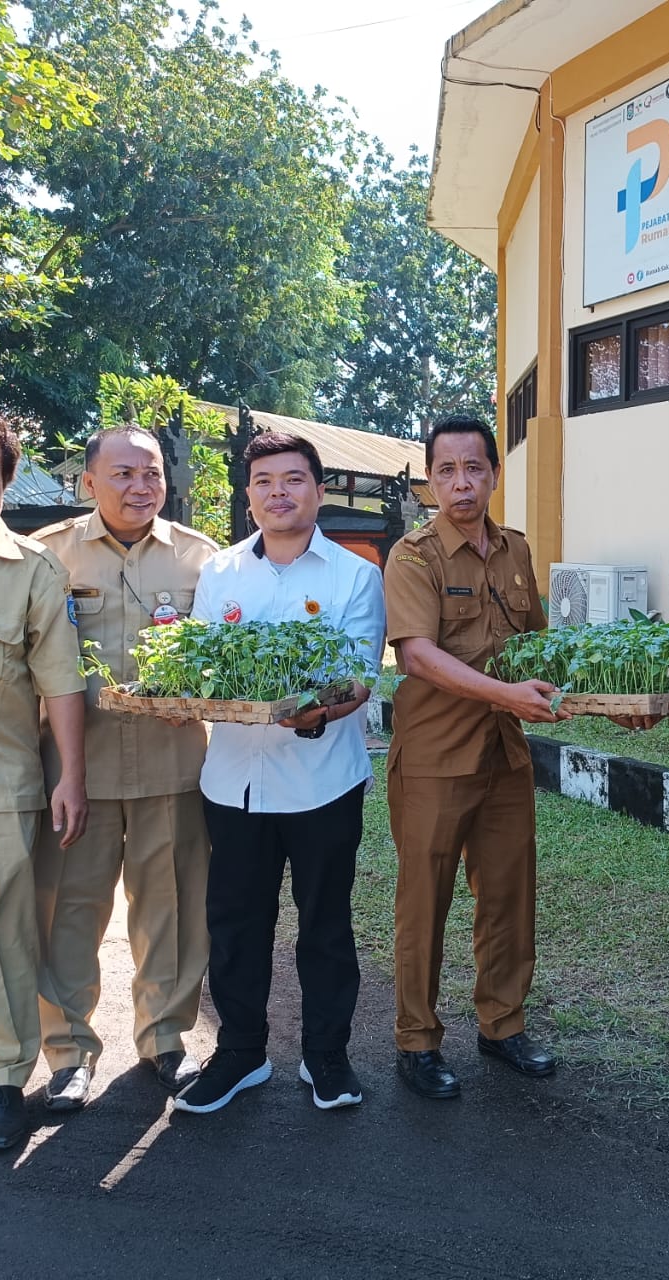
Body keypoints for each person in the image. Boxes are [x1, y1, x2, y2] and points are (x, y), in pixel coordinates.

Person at [173, 432, 383, 1115]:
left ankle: (326, 1057)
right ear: (249, 494)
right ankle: (240, 1053)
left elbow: (357, 678)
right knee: (235, 922)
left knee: (325, 923)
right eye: (264, 481)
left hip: (322, 780)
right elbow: (203, 668)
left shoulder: (355, 576)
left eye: (293, 480)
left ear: (318, 491)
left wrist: (317, 713)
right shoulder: (221, 573)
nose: (278, 493)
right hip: (232, 781)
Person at [32, 426, 216, 1110]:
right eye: (125, 474)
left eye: (154, 474)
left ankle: (165, 1039)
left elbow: (219, 661)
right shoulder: (50, 556)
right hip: (77, 770)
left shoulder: (203, 560)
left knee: (171, 907)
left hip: (174, 766)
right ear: (89, 482)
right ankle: (68, 1054)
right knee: (69, 913)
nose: (142, 487)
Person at [384, 413, 566, 1100]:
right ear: (431, 479)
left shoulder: (516, 552)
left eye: (474, 468)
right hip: (435, 756)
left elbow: (538, 648)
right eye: (446, 470)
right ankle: (417, 1040)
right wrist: (505, 694)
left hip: (504, 755)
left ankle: (502, 1025)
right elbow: (418, 655)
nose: (461, 482)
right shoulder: (414, 556)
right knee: (423, 902)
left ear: (493, 473)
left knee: (509, 898)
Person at [0, 410, 88, 1152]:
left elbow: (60, 688)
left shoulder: (33, 571)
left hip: (1, 780)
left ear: (5, 479)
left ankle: (0, 1079)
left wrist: (72, 778)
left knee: (1, 933)